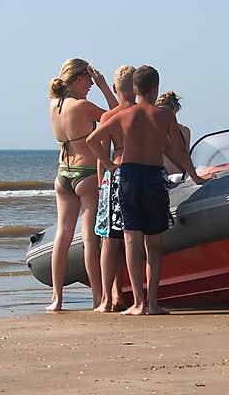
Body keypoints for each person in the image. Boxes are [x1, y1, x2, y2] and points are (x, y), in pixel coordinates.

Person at [87, 65, 206, 316]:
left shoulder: (124, 115)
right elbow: (176, 152)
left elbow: (91, 141)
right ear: (156, 89)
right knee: (153, 244)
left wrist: (109, 166)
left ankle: (137, 304)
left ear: (134, 89)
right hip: (153, 178)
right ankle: (152, 303)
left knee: (131, 241)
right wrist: (195, 175)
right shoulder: (165, 116)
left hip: (129, 177)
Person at [47, 57, 117, 312]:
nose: (89, 84)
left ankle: (57, 298)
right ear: (77, 79)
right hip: (86, 174)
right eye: (87, 80)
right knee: (89, 238)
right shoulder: (83, 106)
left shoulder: (54, 105)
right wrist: (104, 86)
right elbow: (117, 114)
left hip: (62, 174)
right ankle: (98, 298)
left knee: (62, 236)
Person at [93, 65, 136, 313]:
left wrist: (102, 182)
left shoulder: (109, 117)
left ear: (115, 88)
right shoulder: (143, 113)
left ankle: (107, 299)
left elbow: (101, 155)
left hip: (116, 170)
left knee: (109, 239)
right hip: (141, 170)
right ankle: (137, 296)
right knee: (135, 237)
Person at [154, 91, 191, 176]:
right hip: (180, 176)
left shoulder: (184, 131)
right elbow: (186, 156)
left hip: (168, 177)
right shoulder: (184, 131)